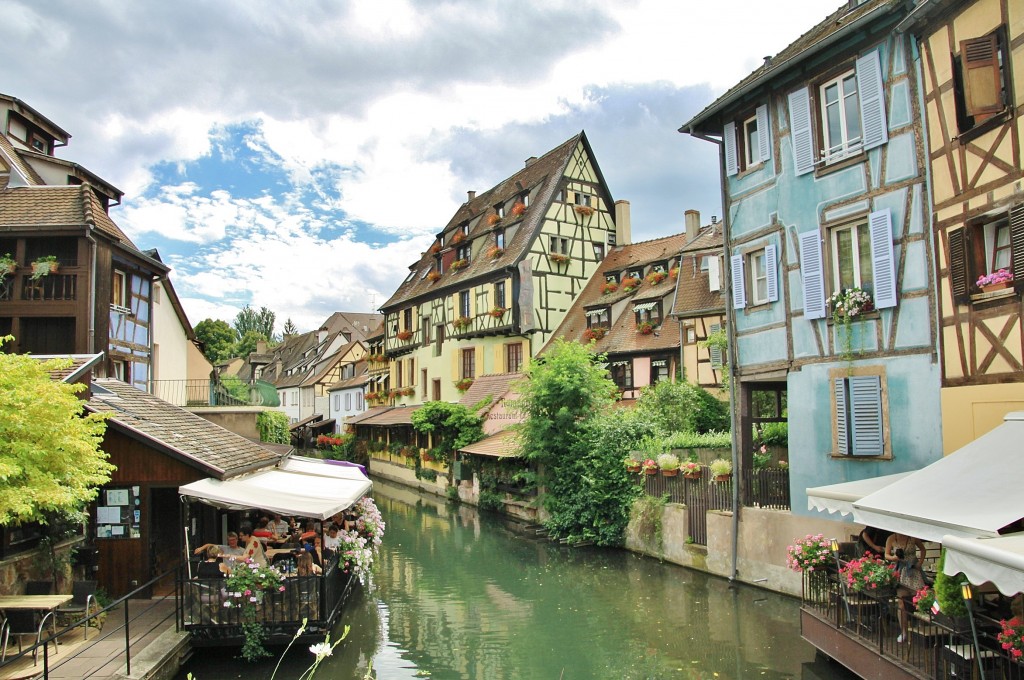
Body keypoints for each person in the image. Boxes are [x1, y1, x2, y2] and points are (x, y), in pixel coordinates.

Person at [885, 532, 927, 643]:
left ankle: (920, 627)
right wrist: (894, 558)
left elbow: (923, 549)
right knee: (901, 603)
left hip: (913, 571)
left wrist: (920, 563)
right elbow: (886, 555)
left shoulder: (912, 537)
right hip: (901, 571)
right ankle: (903, 632)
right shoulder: (892, 538)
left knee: (919, 600)